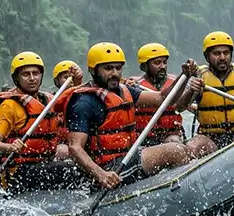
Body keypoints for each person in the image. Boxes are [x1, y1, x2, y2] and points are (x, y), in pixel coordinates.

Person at [65, 42, 203, 189]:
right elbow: (74, 148)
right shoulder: (84, 102)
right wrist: (101, 174)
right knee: (176, 151)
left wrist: (184, 76)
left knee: (179, 147)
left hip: (127, 157)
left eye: (118, 68)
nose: (114, 73)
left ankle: (174, 190)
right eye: (108, 68)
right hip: (110, 168)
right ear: (93, 70)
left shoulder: (124, 90)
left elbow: (163, 98)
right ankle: (188, 192)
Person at [0, 51, 86, 193]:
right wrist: (9, 147)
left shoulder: (48, 99)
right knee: (75, 170)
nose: (32, 78)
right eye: (26, 74)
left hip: (43, 165)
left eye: (36, 73)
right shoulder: (9, 106)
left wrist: (77, 82)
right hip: (17, 174)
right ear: (16, 78)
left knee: (83, 163)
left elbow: (74, 103)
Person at [185, 31, 234, 157]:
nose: (222, 57)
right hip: (210, 137)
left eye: (226, 53)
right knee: (193, 146)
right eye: (217, 53)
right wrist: (191, 91)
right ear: (207, 57)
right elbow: (180, 107)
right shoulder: (197, 77)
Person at [126, 42, 189, 146]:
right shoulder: (134, 85)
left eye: (164, 62)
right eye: (157, 63)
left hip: (171, 135)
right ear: (144, 66)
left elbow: (182, 105)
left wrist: (192, 91)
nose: (162, 66)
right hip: (144, 138)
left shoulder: (177, 83)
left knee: (174, 141)